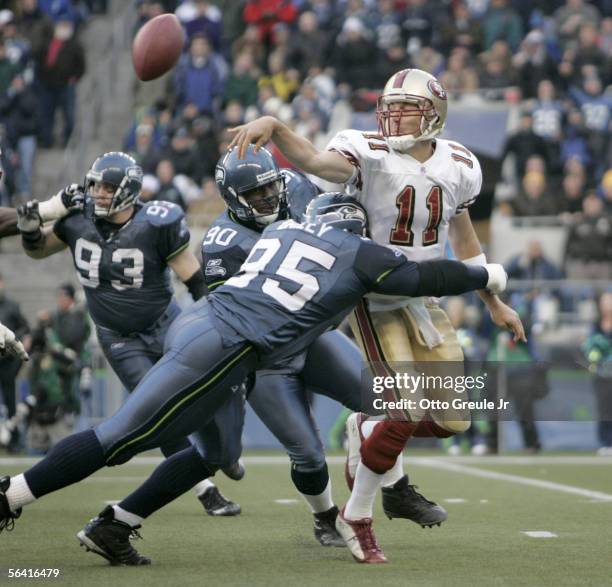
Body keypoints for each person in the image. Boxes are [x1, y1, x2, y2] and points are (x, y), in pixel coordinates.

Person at [0, 192, 509, 562]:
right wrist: (488, 275)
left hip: (216, 331)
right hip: (227, 345)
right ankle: (10, 496)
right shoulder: (357, 250)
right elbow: (424, 277)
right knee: (122, 437)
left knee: (215, 454)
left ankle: (116, 524)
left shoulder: (285, 229)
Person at [228, 68, 525, 563]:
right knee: (404, 410)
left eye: (405, 108)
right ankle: (357, 517)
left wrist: (492, 300)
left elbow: (464, 236)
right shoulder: (366, 150)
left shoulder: (460, 163)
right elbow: (317, 161)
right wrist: (276, 127)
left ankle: (365, 427)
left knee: (454, 420)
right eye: (388, 108)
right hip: (375, 296)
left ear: (434, 114)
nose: (393, 118)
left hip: (424, 299)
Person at [14, 151, 241, 517]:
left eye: (107, 187)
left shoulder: (157, 222)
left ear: (129, 191)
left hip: (168, 323)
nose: (99, 193)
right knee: (159, 409)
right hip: (119, 337)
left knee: (208, 388)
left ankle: (221, 452)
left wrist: (216, 321)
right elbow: (39, 250)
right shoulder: (75, 220)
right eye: (96, 185)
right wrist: (27, 231)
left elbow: (195, 279)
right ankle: (205, 490)